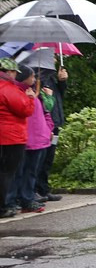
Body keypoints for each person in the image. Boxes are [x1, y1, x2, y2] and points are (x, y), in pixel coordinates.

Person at [8, 68, 52, 213]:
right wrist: (30, 99)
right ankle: (15, 199)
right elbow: (26, 111)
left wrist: (48, 129)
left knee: (31, 171)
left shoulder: (34, 92)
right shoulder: (18, 92)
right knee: (18, 172)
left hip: (40, 138)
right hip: (25, 139)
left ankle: (27, 198)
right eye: (32, 76)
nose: (34, 79)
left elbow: (45, 111)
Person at [0, 59, 36, 218]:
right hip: (11, 137)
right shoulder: (8, 89)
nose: (16, 75)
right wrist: (30, 98)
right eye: (14, 72)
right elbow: (25, 110)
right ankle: (2, 207)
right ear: (8, 72)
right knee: (7, 173)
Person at [33, 52, 66, 202]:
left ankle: (44, 188)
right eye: (51, 57)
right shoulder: (39, 76)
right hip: (45, 124)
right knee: (40, 158)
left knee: (49, 158)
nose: (54, 59)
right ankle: (35, 190)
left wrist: (62, 82)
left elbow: (60, 96)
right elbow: (44, 101)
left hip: (55, 122)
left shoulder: (52, 76)